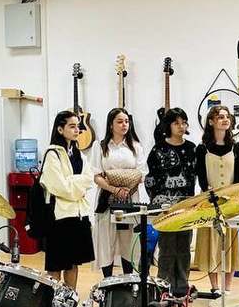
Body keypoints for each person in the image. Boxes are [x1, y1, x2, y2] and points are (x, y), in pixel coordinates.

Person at [193, 106, 239, 307]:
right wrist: (209, 192)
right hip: (209, 201)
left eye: (227, 116)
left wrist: (234, 198)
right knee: (211, 242)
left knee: (230, 241)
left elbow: (238, 178)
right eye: (220, 117)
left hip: (230, 202)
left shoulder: (237, 147)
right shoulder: (202, 148)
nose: (225, 120)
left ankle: (227, 288)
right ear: (211, 121)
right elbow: (201, 177)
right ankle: (214, 287)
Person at [40, 110, 95, 290]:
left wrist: (72, 182)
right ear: (60, 129)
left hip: (79, 215)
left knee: (73, 264)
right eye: (72, 126)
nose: (77, 130)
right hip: (59, 217)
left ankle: (69, 300)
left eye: (78, 126)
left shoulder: (80, 154)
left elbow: (89, 179)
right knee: (55, 265)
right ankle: (52, 302)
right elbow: (59, 187)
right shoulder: (52, 154)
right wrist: (77, 185)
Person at [145, 108, 197, 297]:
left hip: (186, 206)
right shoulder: (158, 149)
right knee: (167, 248)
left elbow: (195, 176)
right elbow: (150, 179)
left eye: (184, 122)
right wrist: (157, 203)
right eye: (176, 123)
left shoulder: (192, 148)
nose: (181, 126)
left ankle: (182, 289)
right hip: (165, 207)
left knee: (184, 248)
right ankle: (163, 289)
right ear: (168, 125)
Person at [90, 108, 147, 278]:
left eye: (127, 121)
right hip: (106, 198)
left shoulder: (136, 146)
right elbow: (96, 175)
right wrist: (114, 189)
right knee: (106, 240)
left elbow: (142, 173)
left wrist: (128, 188)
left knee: (128, 240)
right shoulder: (100, 146)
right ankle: (107, 281)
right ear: (111, 125)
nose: (124, 125)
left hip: (130, 197)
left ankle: (128, 279)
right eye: (120, 121)